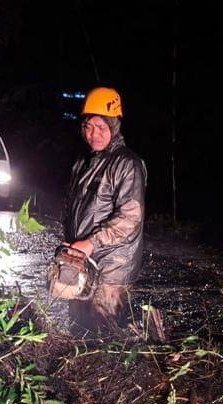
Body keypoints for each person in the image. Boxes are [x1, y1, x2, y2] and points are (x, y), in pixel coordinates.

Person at [62, 86, 147, 334]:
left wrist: (91, 242)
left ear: (114, 126)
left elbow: (131, 218)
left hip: (114, 262)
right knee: (78, 321)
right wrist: (72, 244)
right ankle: (75, 370)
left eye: (102, 127)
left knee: (102, 325)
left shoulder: (127, 164)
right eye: (89, 126)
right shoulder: (84, 162)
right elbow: (70, 206)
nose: (94, 134)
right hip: (81, 256)